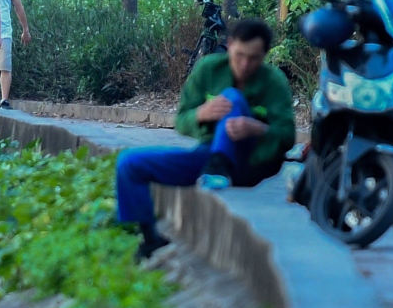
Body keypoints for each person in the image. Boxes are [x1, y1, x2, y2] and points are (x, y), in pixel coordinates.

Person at [115, 19, 293, 260]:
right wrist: (201, 114)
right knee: (129, 162)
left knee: (232, 97)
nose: (245, 64)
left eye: (254, 58)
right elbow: (181, 121)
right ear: (230, 45)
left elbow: (288, 136)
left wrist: (259, 129)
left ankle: (218, 168)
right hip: (208, 159)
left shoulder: (274, 81)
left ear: (265, 55)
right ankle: (150, 238)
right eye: (240, 55)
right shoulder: (208, 69)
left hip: (254, 162)